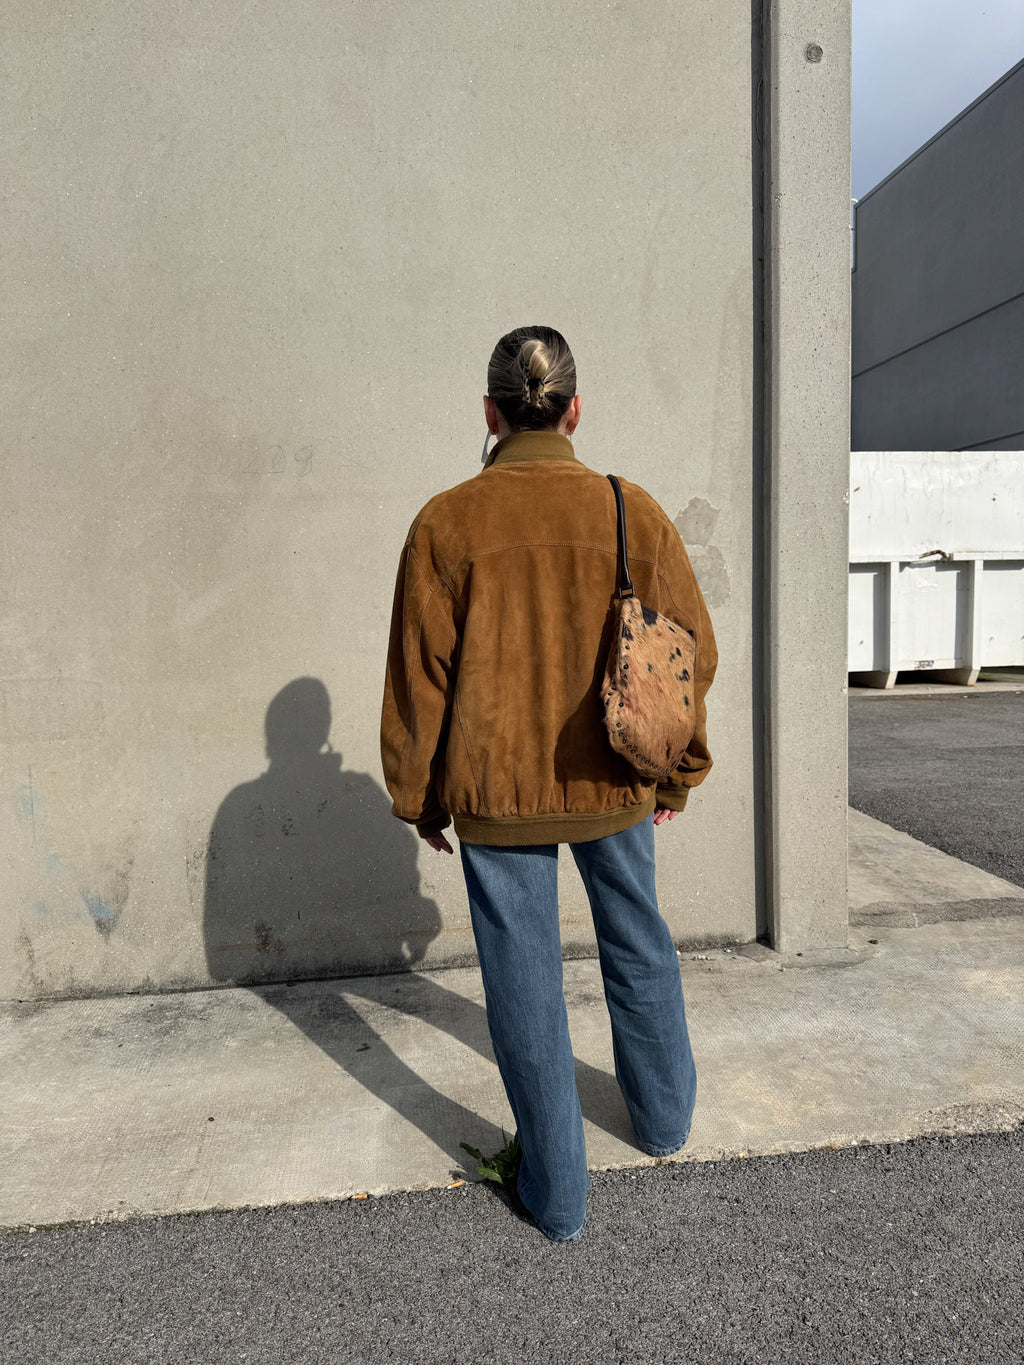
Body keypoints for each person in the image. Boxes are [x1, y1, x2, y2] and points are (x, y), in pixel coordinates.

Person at [380, 325, 717, 1243]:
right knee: (638, 942)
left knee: (523, 978)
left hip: (497, 790)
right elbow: (689, 649)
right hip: (615, 779)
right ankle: (662, 1124)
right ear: (573, 410)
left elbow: (421, 679)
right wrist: (679, 767)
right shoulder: (629, 509)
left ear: (491, 413)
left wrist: (420, 797)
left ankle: (557, 1197)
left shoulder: (446, 522)